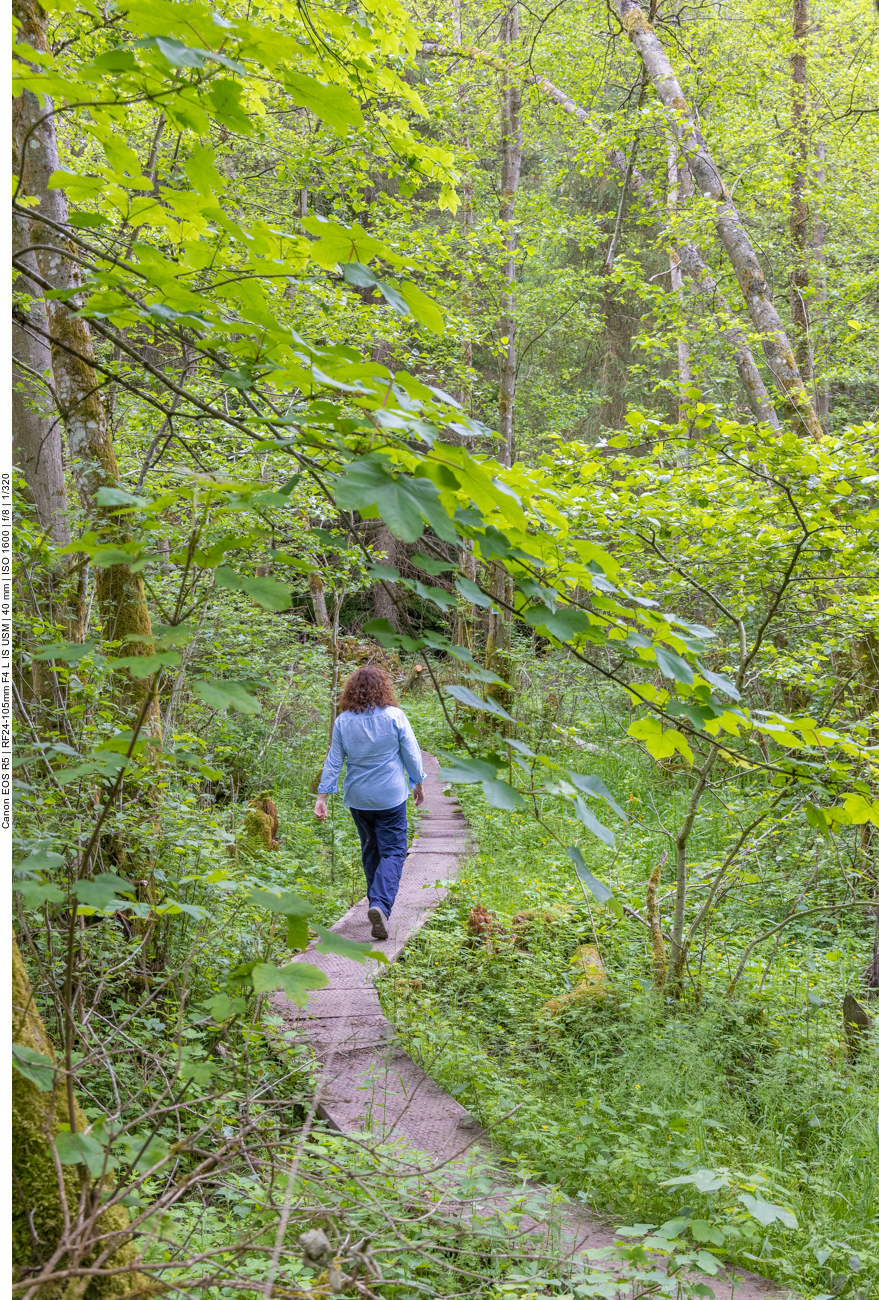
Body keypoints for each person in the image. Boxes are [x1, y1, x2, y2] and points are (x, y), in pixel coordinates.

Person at [314, 664, 425, 940]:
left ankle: (375, 899)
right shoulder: (395, 716)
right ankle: (380, 904)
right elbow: (411, 752)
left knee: (371, 849)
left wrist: (323, 795)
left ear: (352, 691)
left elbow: (334, 760)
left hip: (359, 798)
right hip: (390, 796)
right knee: (395, 851)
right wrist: (417, 781)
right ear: (383, 688)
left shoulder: (343, 721)